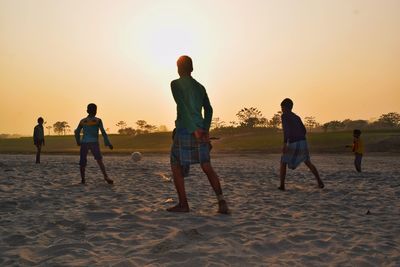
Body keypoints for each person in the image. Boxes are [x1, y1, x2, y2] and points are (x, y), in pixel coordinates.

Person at [168, 55, 229, 214]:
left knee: (175, 162)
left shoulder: (175, 84)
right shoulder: (200, 87)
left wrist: (193, 129)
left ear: (178, 68)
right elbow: (209, 110)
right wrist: (205, 129)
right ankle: (221, 202)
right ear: (192, 68)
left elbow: (182, 106)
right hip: (201, 131)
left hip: (185, 130)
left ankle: (183, 204)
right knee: (207, 166)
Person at [279, 98, 324, 191]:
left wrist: (284, 144)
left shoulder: (284, 116)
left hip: (294, 142)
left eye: (282, 107)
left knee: (283, 161)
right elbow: (304, 130)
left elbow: (286, 131)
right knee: (307, 162)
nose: (281, 109)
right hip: (303, 142)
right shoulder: (297, 117)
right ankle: (319, 181)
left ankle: (282, 185)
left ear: (286, 107)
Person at [74, 103, 114, 185]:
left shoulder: (82, 121)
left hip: (84, 143)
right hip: (94, 143)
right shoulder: (98, 120)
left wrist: (78, 141)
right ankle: (106, 177)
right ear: (96, 111)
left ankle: (83, 180)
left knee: (82, 162)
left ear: (87, 111)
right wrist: (108, 143)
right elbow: (103, 132)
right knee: (99, 160)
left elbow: (76, 131)